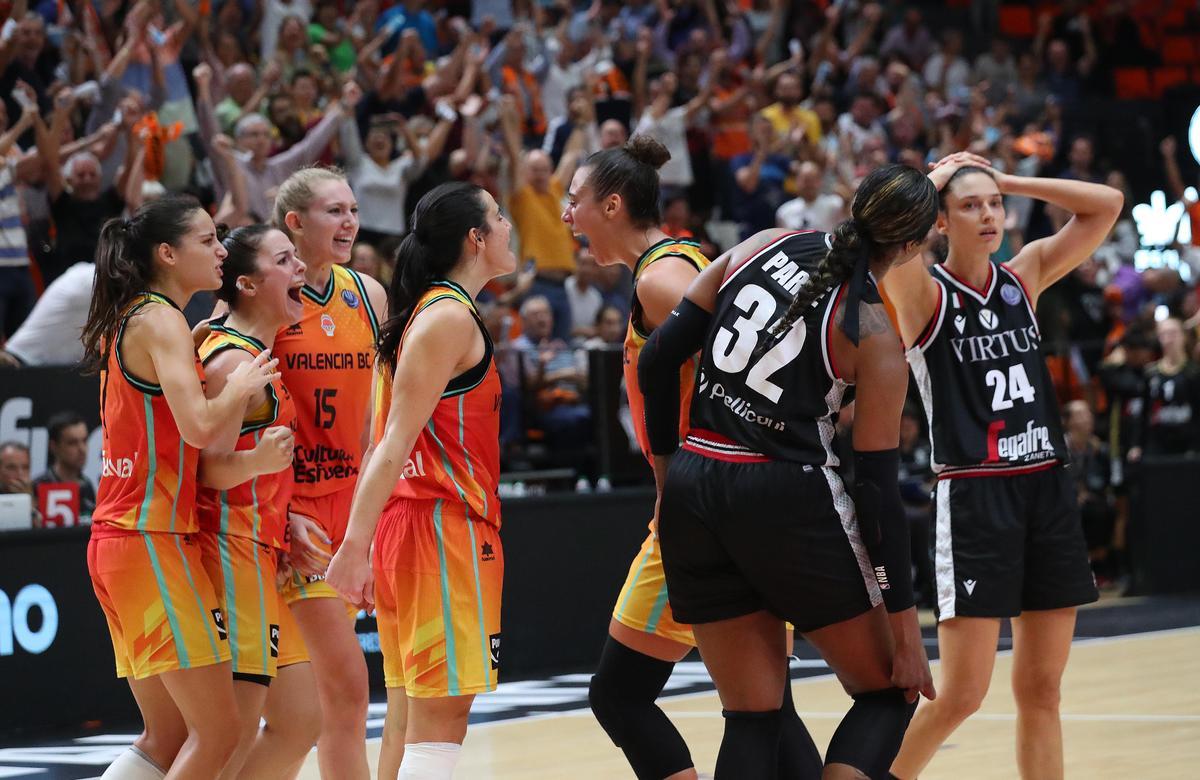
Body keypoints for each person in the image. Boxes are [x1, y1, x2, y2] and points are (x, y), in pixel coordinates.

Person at [638, 165, 939, 779]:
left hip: (695, 484)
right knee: (890, 692)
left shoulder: (762, 243)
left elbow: (657, 360)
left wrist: (668, 473)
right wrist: (908, 637)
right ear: (911, 246)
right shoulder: (874, 331)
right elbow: (877, 492)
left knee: (753, 715)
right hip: (785, 497)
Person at [881, 152, 1122, 779]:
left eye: (995, 205)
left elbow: (1106, 205)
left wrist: (1005, 178)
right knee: (962, 694)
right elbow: (884, 232)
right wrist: (932, 183)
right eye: (971, 206)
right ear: (940, 221)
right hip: (975, 495)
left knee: (1043, 689)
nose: (989, 214)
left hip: (1046, 487)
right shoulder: (924, 293)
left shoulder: (1025, 274)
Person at [81, 195, 279, 779]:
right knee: (218, 732)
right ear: (167, 253)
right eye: (207, 240)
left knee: (166, 737)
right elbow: (199, 428)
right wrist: (239, 387)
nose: (221, 251)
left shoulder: (138, 317)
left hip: (120, 540)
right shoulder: (159, 319)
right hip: (150, 539)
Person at [326, 181, 514, 779]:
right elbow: (389, 445)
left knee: (408, 722)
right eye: (499, 217)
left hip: (413, 528)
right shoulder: (448, 318)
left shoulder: (426, 314)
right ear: (475, 238)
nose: (509, 226)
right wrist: (353, 548)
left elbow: (378, 443)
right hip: (440, 531)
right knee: (439, 728)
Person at [561, 135, 712, 780]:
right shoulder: (678, 261)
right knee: (764, 707)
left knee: (619, 695)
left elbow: (743, 356)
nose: (566, 214)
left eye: (575, 200)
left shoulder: (661, 277)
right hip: (727, 499)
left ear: (613, 205)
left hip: (699, 507)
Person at [270, 166, 387, 780]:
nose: (349, 223)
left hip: (352, 507)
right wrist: (280, 510)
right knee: (344, 689)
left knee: (308, 714)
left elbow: (377, 416)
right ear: (295, 222)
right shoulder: (266, 297)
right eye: (333, 212)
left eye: (353, 210)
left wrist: (373, 514)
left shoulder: (368, 294)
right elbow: (242, 414)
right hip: (292, 513)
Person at [194, 224, 320, 779]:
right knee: (231, 736)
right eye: (284, 259)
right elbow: (208, 469)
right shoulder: (229, 362)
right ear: (246, 284)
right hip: (229, 551)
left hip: (259, 551)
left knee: (299, 721)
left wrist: (284, 517)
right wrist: (261, 465)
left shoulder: (252, 353)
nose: (300, 268)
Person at [32, 412, 97, 517]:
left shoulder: (87, 485)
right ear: (53, 446)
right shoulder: (38, 487)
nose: (82, 449)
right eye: (72, 443)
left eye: (84, 441)